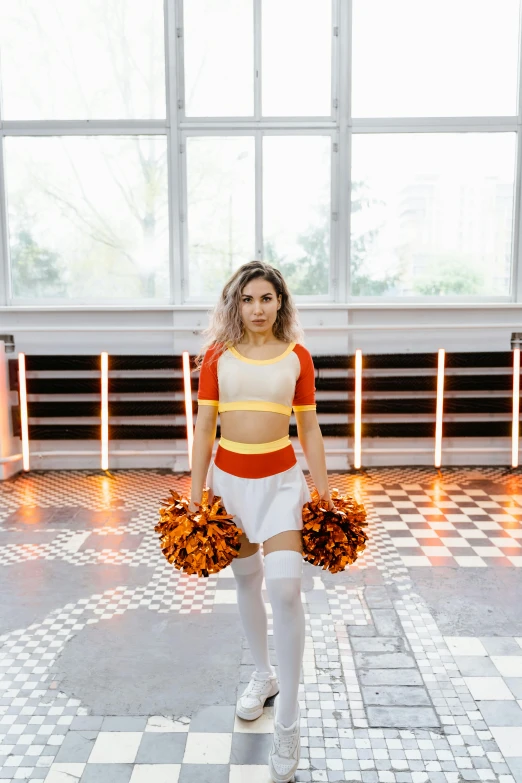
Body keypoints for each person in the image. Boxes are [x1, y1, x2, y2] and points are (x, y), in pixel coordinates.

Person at [189, 260, 333, 783]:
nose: (256, 308)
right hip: (229, 485)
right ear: (235, 303)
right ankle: (262, 674)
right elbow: (205, 427)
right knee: (246, 582)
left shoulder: (297, 357)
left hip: (280, 484)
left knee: (287, 587)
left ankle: (289, 720)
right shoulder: (216, 357)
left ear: (280, 303)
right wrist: (196, 491)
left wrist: (323, 491)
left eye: (266, 299)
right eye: (248, 299)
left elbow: (310, 429)